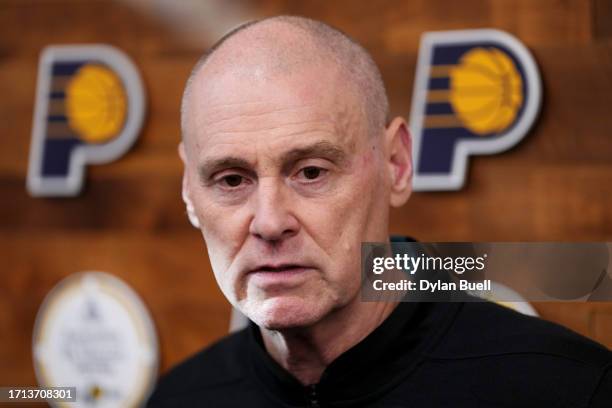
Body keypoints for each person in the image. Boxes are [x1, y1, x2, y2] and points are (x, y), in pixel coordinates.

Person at [148, 15, 612, 407]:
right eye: (231, 180)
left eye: (311, 172)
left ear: (397, 165)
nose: (269, 222)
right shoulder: (180, 398)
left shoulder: (568, 388)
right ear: (190, 189)